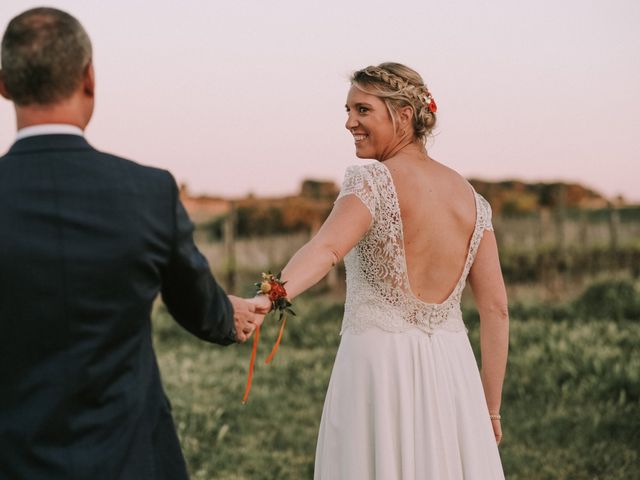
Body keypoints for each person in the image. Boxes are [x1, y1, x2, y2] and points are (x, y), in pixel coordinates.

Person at [0, 8, 263, 480]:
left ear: (4, 84)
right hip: (129, 457)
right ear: (89, 79)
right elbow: (197, 304)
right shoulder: (146, 191)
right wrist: (229, 317)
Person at [250, 62, 509, 479]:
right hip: (452, 371)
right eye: (348, 111)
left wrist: (270, 297)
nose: (349, 122)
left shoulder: (372, 182)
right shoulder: (471, 199)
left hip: (379, 369)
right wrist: (489, 410)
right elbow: (496, 310)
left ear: (403, 115)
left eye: (362, 110)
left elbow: (327, 247)